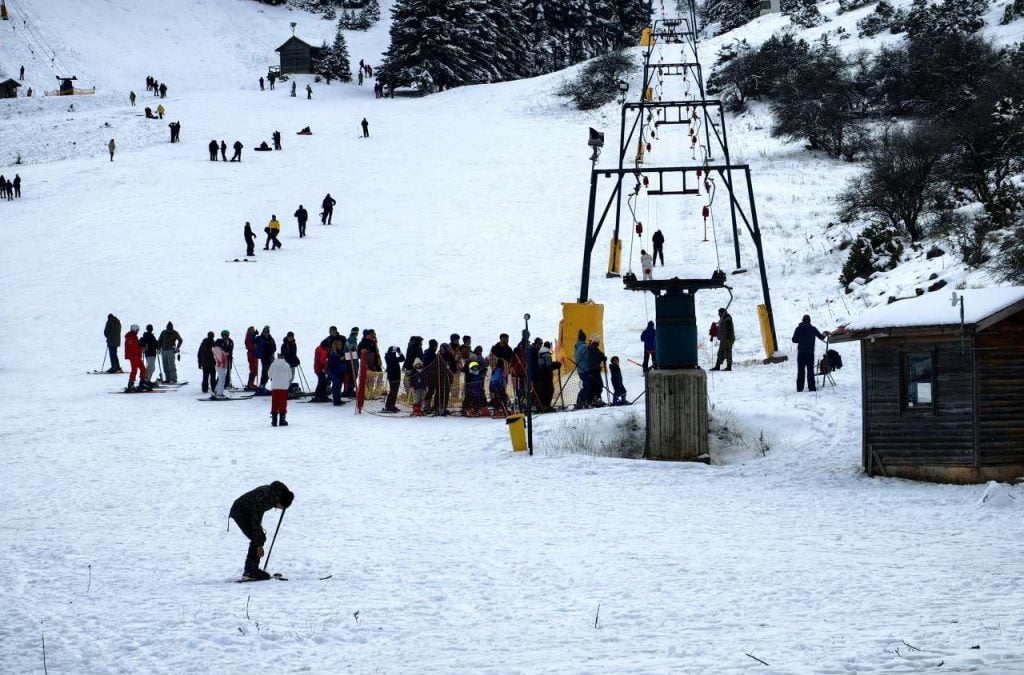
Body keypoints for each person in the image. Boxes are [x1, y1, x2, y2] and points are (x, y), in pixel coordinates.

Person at [229, 481, 294, 581]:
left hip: (247, 511)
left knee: (259, 537)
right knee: (258, 538)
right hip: (240, 511)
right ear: (279, 500)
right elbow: (255, 520)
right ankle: (251, 571)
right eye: (281, 506)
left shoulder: (273, 493)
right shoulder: (265, 498)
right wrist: (259, 545)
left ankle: (251, 570)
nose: (280, 509)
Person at [792, 314, 828, 392]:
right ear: (809, 321)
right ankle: (812, 388)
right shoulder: (813, 329)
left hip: (801, 353)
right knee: (810, 371)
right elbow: (821, 337)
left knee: (801, 371)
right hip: (810, 354)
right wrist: (825, 333)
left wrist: (801, 339)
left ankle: (799, 388)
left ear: (802, 320)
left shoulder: (798, 329)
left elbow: (794, 340)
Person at [124, 324, 151, 391]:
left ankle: (139, 383)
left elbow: (135, 347)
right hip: (133, 356)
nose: (137, 332)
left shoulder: (133, 336)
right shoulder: (130, 337)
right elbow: (132, 348)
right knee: (138, 369)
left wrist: (141, 348)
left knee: (140, 369)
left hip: (135, 356)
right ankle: (133, 384)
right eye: (137, 330)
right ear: (134, 330)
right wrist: (141, 349)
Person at [268, 352, 292, 426]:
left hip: (275, 387)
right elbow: (290, 376)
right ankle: (282, 420)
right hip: (284, 388)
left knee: (275, 403)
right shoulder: (287, 365)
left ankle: (274, 420)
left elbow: (269, 374)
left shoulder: (273, 364)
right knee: (283, 403)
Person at [586, 335, 607, 407]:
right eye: (598, 341)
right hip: (594, 370)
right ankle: (596, 399)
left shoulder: (592, 348)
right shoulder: (593, 348)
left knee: (595, 385)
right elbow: (598, 355)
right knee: (598, 385)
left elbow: (599, 355)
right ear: (596, 342)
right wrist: (602, 357)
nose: (599, 343)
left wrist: (602, 357)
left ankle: (595, 399)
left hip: (592, 369)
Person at [383, 345, 404, 412]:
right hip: (392, 376)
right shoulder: (388, 357)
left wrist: (399, 352)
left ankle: (391, 405)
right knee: (393, 391)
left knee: (395, 391)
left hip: (396, 376)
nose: (394, 354)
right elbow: (391, 360)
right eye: (393, 352)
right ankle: (388, 406)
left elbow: (402, 358)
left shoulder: (394, 357)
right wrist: (394, 352)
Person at [256, 326, 276, 392]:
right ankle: (262, 386)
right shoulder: (260, 338)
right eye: (265, 332)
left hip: (271, 358)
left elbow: (274, 347)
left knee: (270, 372)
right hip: (264, 358)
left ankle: (264, 386)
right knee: (267, 372)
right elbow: (252, 341)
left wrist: (272, 352)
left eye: (267, 332)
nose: (266, 333)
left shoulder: (271, 339)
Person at [573, 329, 589, 408]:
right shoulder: (584, 346)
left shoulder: (577, 346)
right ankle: (581, 400)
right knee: (587, 385)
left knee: (585, 384)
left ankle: (582, 400)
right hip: (585, 369)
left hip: (580, 369)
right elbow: (587, 357)